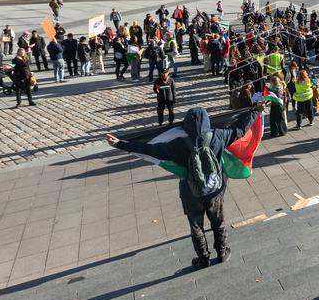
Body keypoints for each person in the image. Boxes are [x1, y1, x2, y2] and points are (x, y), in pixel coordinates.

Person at [107, 107, 260, 268]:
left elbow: (149, 149)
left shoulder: (177, 145)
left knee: (196, 226)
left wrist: (120, 144)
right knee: (218, 221)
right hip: (215, 189)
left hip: (191, 192)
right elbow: (240, 129)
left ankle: (203, 258)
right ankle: (221, 252)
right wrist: (256, 110)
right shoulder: (219, 136)